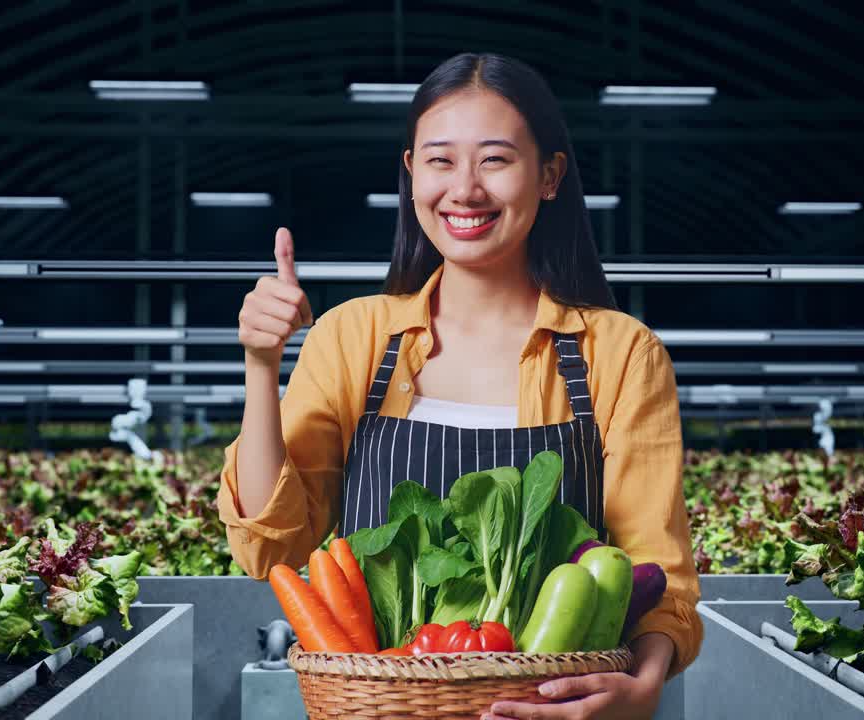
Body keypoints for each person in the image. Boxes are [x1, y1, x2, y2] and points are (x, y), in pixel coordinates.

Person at [218, 52, 703, 719]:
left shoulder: (619, 354)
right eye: (441, 160)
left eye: (495, 160)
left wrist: (642, 690)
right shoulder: (352, 338)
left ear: (551, 176)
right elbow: (273, 546)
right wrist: (260, 366)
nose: (466, 190)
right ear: (412, 173)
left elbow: (658, 575)